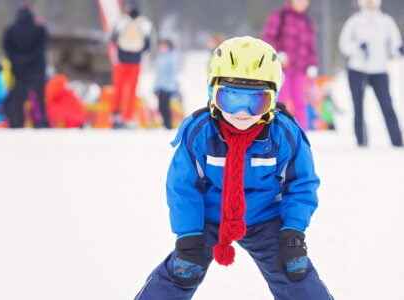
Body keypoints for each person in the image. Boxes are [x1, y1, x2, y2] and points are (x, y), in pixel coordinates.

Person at [134, 36, 333, 300]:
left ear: (273, 100)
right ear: (212, 94)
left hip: (265, 218)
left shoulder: (284, 135)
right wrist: (189, 235)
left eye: (256, 101)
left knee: (294, 272)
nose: (242, 112)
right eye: (231, 98)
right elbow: (182, 187)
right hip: (209, 218)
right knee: (184, 269)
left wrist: (293, 232)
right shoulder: (200, 133)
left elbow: (302, 185)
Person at [339, 0, 404, 147]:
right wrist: (357, 47)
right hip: (358, 69)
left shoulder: (386, 21)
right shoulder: (354, 21)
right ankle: (361, 140)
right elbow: (344, 45)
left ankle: (397, 141)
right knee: (358, 106)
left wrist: (398, 49)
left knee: (387, 104)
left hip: (379, 69)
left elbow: (395, 42)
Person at [263, 0, 319, 130]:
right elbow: (268, 38)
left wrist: (312, 65)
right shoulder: (280, 16)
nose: (302, 3)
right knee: (280, 100)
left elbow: (311, 47)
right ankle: (276, 131)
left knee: (300, 102)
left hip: (300, 69)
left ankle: (300, 133)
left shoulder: (307, 21)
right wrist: (278, 54)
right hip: (281, 69)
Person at [2, 4, 49, 128]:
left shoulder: (10, 30)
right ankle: (40, 123)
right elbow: (43, 45)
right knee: (38, 98)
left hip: (19, 71)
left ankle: (16, 122)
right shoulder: (39, 29)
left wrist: (17, 60)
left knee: (17, 99)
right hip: (36, 70)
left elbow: (6, 48)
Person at [110, 2, 152, 128]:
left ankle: (116, 116)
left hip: (122, 60)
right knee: (131, 90)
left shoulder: (122, 22)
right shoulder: (144, 23)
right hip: (135, 61)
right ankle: (127, 117)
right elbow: (147, 45)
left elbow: (113, 39)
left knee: (118, 88)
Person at [154, 38, 182, 129]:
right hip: (160, 86)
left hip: (168, 86)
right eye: (161, 45)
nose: (162, 47)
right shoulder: (160, 57)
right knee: (160, 106)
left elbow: (173, 73)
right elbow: (158, 74)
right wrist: (155, 86)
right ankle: (165, 123)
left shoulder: (172, 57)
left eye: (164, 45)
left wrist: (174, 86)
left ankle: (168, 124)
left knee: (165, 106)